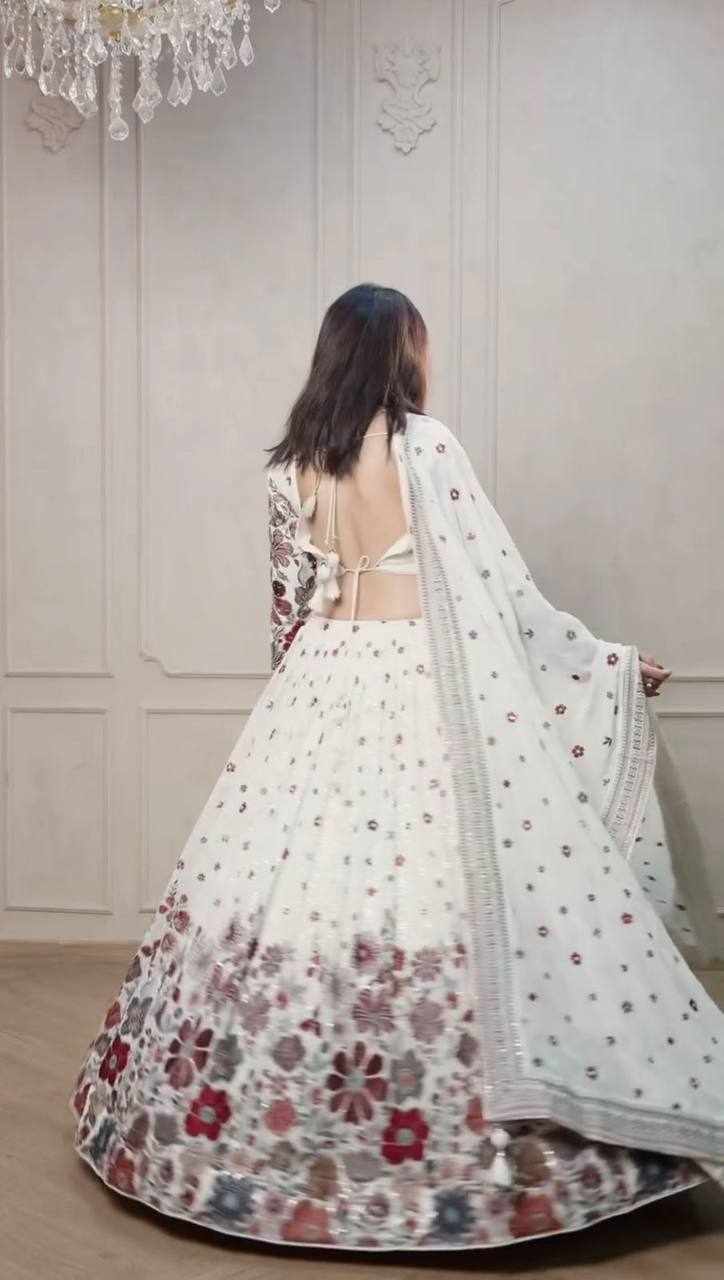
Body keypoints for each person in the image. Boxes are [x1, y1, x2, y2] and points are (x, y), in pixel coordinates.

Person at [68, 283, 724, 1251]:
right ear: (397, 353)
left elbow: (288, 612)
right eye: (421, 344)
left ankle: (235, 1142)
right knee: (448, 887)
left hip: (320, 678)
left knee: (304, 894)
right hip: (419, 678)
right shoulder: (425, 446)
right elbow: (502, 593)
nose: (429, 360)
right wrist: (606, 665)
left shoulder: (292, 465)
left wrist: (294, 725)